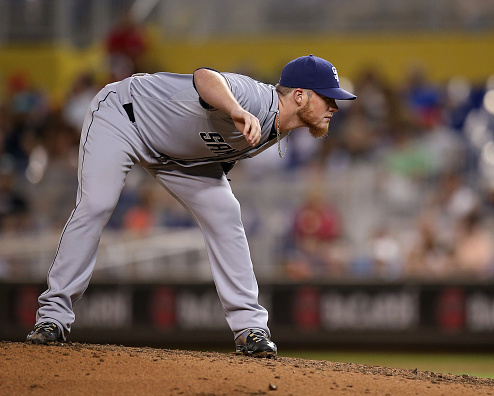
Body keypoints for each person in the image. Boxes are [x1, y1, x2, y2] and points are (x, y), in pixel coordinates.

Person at [25, 55, 357, 357]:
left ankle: (251, 330)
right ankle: (52, 317)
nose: (335, 107)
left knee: (226, 213)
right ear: (299, 95)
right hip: (124, 118)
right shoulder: (258, 98)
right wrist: (236, 109)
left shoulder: (279, 128)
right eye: (328, 98)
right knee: (96, 205)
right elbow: (205, 77)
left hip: (180, 159)